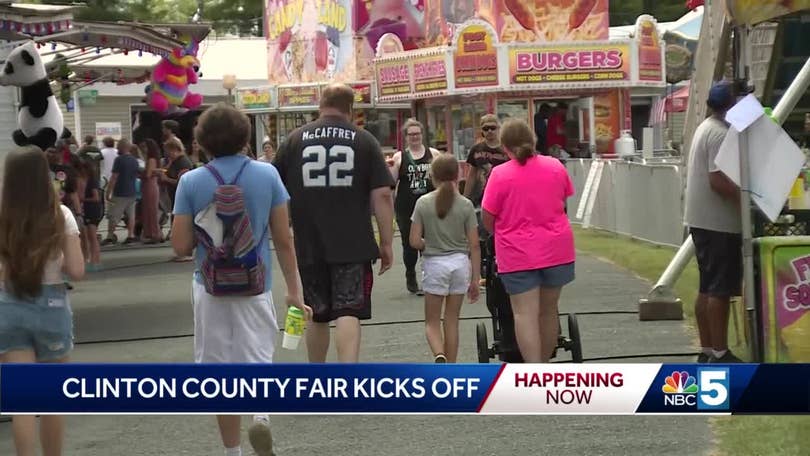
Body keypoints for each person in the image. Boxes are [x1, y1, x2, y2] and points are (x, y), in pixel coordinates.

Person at [171, 103, 311, 456]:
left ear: (202, 140)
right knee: (257, 357)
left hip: (209, 286)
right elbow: (283, 240)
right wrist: (294, 290)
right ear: (244, 136)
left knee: (218, 369)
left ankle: (232, 451)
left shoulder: (190, 181)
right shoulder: (267, 176)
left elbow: (180, 244)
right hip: (255, 284)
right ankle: (260, 417)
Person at [273, 83, 395, 363]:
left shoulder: (294, 140)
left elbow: (275, 190)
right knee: (348, 310)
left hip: (308, 243)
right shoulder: (364, 140)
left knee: (316, 312)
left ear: (320, 104)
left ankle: (318, 376)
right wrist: (386, 242)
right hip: (353, 244)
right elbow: (383, 195)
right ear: (350, 108)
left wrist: (284, 229)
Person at [0, 146, 85, 456]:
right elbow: (76, 270)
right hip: (50, 307)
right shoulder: (59, 215)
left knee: (22, 403)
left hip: (7, 306)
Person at [481, 119, 575, 363]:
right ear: (533, 139)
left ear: (505, 147)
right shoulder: (555, 167)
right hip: (557, 249)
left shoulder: (500, 175)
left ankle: (533, 370)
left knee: (524, 314)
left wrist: (500, 231)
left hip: (518, 252)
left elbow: (488, 217)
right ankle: (545, 364)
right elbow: (563, 202)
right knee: (549, 311)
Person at [684, 81, 743, 364]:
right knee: (720, 287)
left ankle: (708, 349)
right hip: (718, 222)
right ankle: (720, 352)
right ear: (731, 105)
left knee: (707, 285)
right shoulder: (720, 133)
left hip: (700, 218)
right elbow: (718, 179)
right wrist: (744, 200)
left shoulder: (705, 126)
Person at [409, 154, 480, 363]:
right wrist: (475, 279)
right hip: (460, 264)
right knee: (452, 320)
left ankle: (439, 354)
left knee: (432, 322)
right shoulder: (466, 205)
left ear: (433, 176)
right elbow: (474, 245)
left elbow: (414, 241)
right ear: (458, 175)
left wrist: (429, 243)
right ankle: (451, 366)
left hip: (435, 264)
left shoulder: (423, 203)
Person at [388, 119, 440, 294]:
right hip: (406, 209)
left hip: (430, 208)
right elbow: (391, 184)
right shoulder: (400, 157)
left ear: (422, 134)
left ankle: (430, 277)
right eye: (411, 135)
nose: (415, 137)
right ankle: (410, 273)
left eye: (417, 133)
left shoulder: (434, 154)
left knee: (431, 243)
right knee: (409, 245)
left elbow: (443, 181)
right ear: (406, 137)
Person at [463, 114, 508, 208]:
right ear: (482, 130)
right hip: (481, 197)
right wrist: (465, 198)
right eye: (486, 128)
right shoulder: (476, 149)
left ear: (499, 128)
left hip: (503, 196)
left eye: (493, 127)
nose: (490, 131)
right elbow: (472, 175)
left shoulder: (507, 149)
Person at [161, 138, 193, 260]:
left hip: (182, 197)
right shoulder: (174, 162)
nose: (168, 155)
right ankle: (181, 251)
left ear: (175, 150)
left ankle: (185, 252)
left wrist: (166, 179)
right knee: (176, 222)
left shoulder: (183, 162)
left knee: (182, 224)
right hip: (175, 197)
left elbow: (182, 181)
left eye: (169, 151)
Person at [103, 139, 139, 245]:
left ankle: (110, 236)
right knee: (131, 214)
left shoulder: (119, 160)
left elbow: (114, 177)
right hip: (132, 191)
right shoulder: (134, 160)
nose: (117, 148)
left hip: (120, 191)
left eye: (118, 146)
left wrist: (108, 192)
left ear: (123, 147)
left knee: (113, 214)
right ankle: (131, 235)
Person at [140, 139, 163, 244]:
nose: (143, 149)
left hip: (149, 185)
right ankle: (152, 232)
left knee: (151, 210)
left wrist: (140, 173)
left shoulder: (151, 160)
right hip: (151, 185)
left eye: (145, 147)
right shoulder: (154, 159)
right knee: (149, 209)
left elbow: (148, 175)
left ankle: (155, 233)